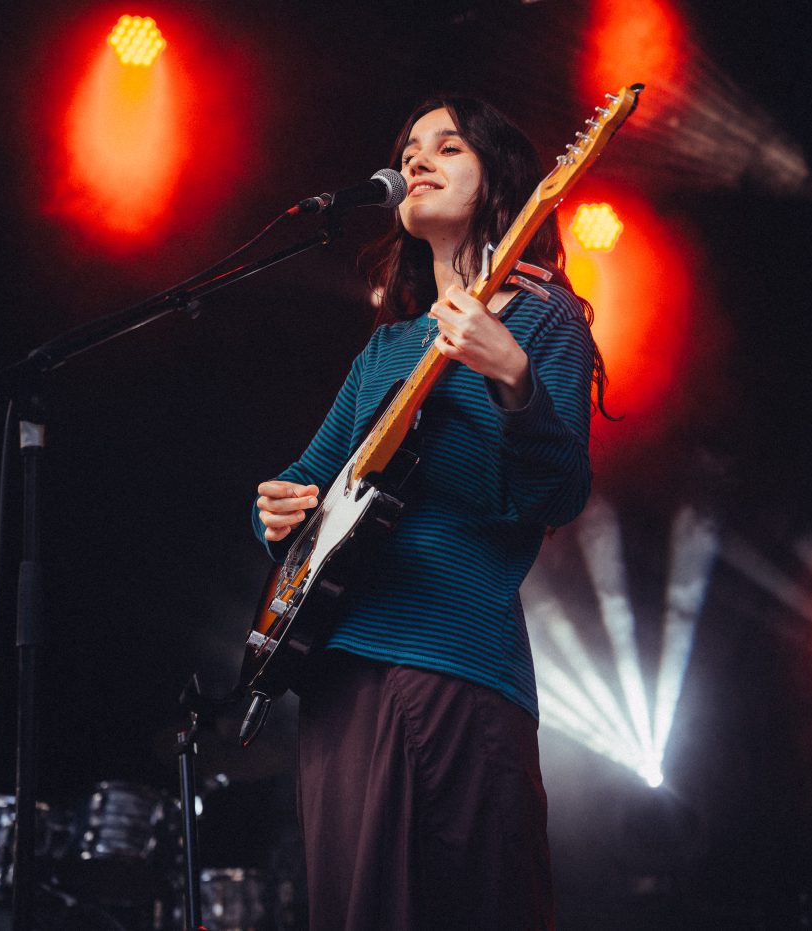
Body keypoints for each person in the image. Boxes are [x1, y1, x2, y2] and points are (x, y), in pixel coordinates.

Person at [251, 95, 608, 930]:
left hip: (453, 662)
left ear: (501, 184)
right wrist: (274, 507)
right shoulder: (384, 348)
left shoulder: (543, 317)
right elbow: (305, 480)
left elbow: (557, 496)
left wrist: (512, 376)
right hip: (335, 673)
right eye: (410, 148)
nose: (417, 160)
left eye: (448, 148)